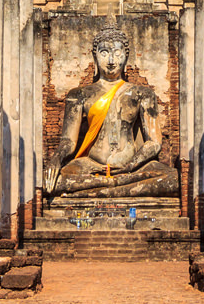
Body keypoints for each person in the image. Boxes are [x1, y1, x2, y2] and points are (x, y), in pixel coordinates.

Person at [44, 24, 178, 199]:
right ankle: (114, 186)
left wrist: (130, 165)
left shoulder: (142, 93)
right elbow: (68, 141)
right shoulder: (80, 95)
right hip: (92, 165)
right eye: (104, 53)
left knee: (172, 178)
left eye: (117, 53)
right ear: (95, 56)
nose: (111, 61)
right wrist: (55, 160)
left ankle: (101, 188)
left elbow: (154, 143)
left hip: (132, 167)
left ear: (126, 56)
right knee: (54, 180)